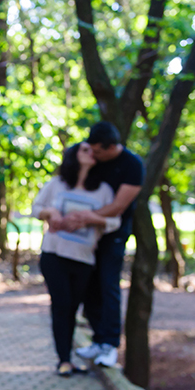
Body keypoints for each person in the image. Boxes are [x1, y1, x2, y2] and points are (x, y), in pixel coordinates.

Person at [33, 142, 120, 376]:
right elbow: (36, 208)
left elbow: (115, 222)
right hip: (54, 255)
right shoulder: (56, 184)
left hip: (84, 260)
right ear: (73, 156)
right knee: (61, 306)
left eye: (93, 149)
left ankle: (68, 359)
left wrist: (92, 218)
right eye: (84, 149)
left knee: (72, 308)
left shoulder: (102, 190)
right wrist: (50, 213)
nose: (91, 152)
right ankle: (63, 360)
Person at [69, 121, 144, 368]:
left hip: (112, 234)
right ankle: (98, 339)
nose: (94, 155)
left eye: (98, 151)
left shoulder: (132, 166)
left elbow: (118, 207)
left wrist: (87, 217)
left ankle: (110, 344)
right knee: (88, 284)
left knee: (107, 283)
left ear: (111, 147)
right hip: (85, 233)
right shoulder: (92, 157)